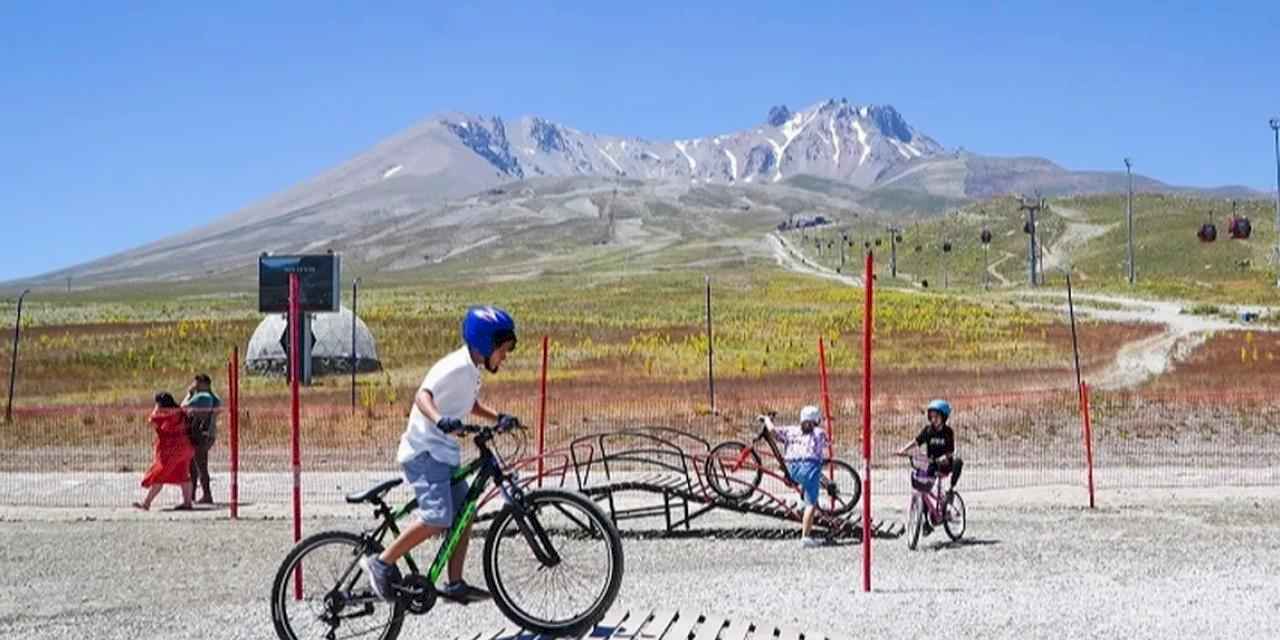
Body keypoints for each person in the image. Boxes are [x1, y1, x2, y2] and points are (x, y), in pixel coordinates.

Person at [361, 306, 521, 603]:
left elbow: (468, 405)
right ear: (486, 344)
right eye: (503, 349)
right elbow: (423, 396)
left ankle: (454, 583)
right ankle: (381, 563)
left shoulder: (472, 370)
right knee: (438, 517)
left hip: (443, 453)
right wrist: (439, 419)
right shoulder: (456, 366)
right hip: (423, 452)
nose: (505, 356)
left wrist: (498, 417)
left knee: (465, 512)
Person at [760, 405, 829, 548]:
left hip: (792, 469)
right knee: (812, 504)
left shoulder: (791, 430)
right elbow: (825, 446)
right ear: (816, 420)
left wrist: (767, 420)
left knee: (803, 484)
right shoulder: (819, 432)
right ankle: (806, 538)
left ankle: (800, 506)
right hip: (810, 468)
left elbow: (772, 431)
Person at [896, 398, 964, 535]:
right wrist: (903, 450)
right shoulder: (928, 431)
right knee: (923, 489)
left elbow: (950, 452)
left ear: (943, 417)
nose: (933, 419)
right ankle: (926, 522)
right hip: (932, 464)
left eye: (936, 416)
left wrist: (943, 458)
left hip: (944, 464)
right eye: (931, 416)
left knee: (958, 462)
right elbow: (916, 441)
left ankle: (950, 490)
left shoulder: (948, 432)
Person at [133, 392, 195, 511]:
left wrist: (156, 409)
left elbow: (151, 420)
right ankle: (187, 503)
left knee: (159, 476)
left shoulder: (166, 414)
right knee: (183, 475)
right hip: (185, 448)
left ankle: (146, 503)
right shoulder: (180, 411)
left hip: (172, 450)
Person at [182, 373, 221, 504]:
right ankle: (192, 494)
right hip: (207, 434)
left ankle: (206, 495)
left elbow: (183, 407)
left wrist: (189, 393)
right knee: (195, 465)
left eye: (197, 383)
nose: (195, 385)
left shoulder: (203, 397)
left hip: (200, 435)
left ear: (204, 384)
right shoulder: (214, 398)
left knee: (199, 465)